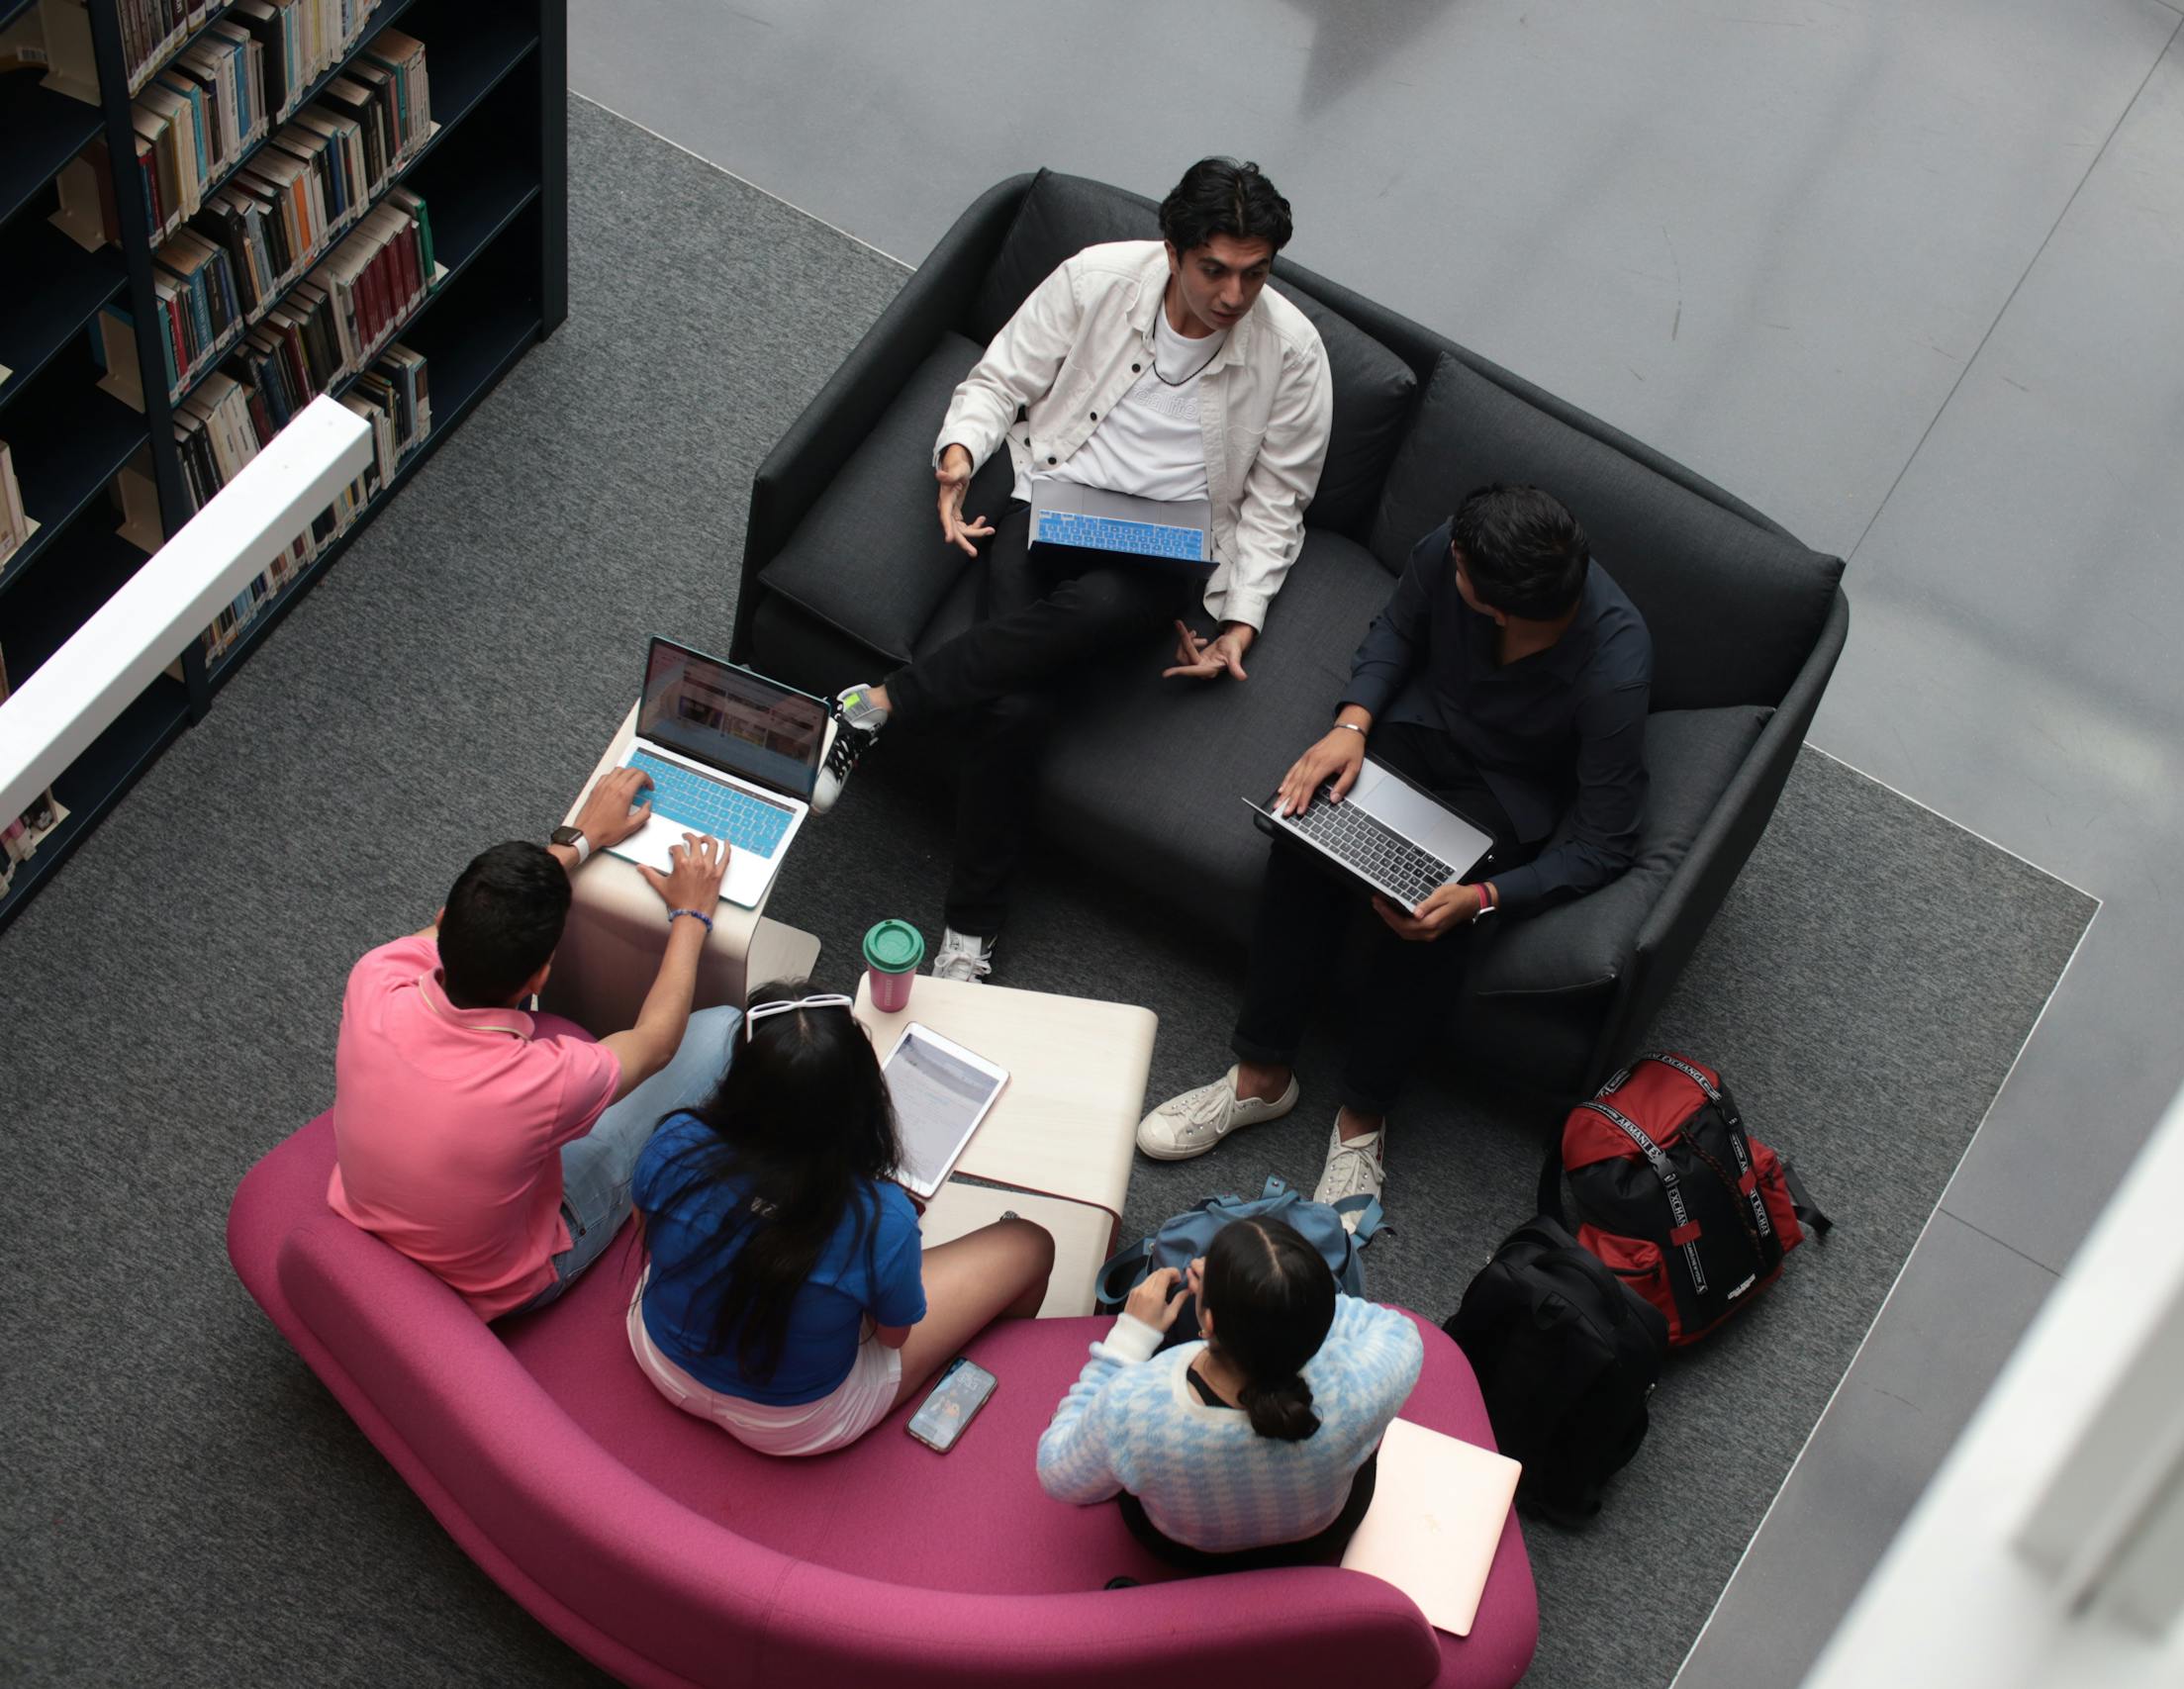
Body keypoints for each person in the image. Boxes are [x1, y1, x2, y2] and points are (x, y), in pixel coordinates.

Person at [810, 156, 1334, 985]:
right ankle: (969, 939)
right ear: (1172, 250)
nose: (1235, 296)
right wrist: (957, 456)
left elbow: (1277, 502)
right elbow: (999, 379)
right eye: (1215, 271)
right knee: (1016, 702)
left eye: (1254, 274)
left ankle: (880, 704)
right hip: (1052, 492)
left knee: (1096, 606)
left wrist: (1240, 620)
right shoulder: (1096, 279)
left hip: (1170, 542)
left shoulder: (1294, 354)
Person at [1135, 485, 1653, 1218]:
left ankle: (1362, 1121)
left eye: (1463, 570)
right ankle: (1261, 1075)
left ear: (1499, 609)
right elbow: (1396, 631)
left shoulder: (1616, 665)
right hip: (1412, 731)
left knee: (1430, 921)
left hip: (1504, 792)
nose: (1450, 559)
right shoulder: (1458, 543)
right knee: (1305, 832)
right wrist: (1351, 722)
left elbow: (1607, 840)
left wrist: (1486, 898)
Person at [329, 768, 738, 1319]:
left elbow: (477, 927)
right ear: (541, 977)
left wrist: (582, 839)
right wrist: (692, 915)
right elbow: (656, 1043)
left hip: (374, 1216)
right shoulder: (545, 1082)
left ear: (443, 920)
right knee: (723, 1030)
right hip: (500, 1283)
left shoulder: (376, 975)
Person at [626, 982, 1055, 1455]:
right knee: (1031, 1243)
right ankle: (1009, 1381)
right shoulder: (882, 1217)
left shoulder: (675, 1140)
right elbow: (893, 1338)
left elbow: (648, 1238)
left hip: (659, 1358)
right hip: (793, 1423)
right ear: (863, 1104)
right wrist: (884, 1254)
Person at [1037, 1217, 1420, 1568]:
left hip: (1188, 1550)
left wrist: (1130, 1337)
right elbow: (1397, 1331)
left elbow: (1057, 1472)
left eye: (1210, 1264)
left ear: (1208, 1320)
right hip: (1318, 1536)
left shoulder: (1136, 1405)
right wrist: (1284, 1304)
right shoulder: (1360, 1387)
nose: (1199, 1265)